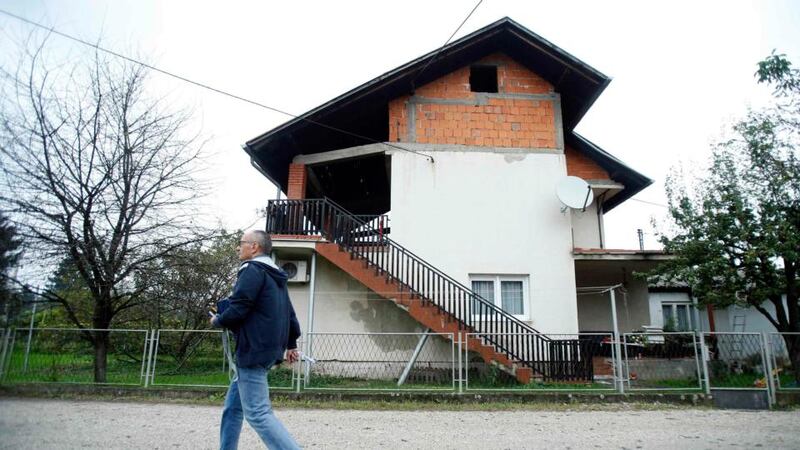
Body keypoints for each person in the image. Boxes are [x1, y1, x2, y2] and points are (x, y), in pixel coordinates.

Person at [210, 229, 302, 450]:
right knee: (233, 408)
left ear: (254, 247)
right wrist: (291, 344)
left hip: (253, 350)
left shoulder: (252, 270)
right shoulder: (276, 274)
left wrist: (218, 320)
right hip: (268, 349)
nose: (238, 247)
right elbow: (289, 314)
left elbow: (239, 307)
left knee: (259, 414)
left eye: (241, 243)